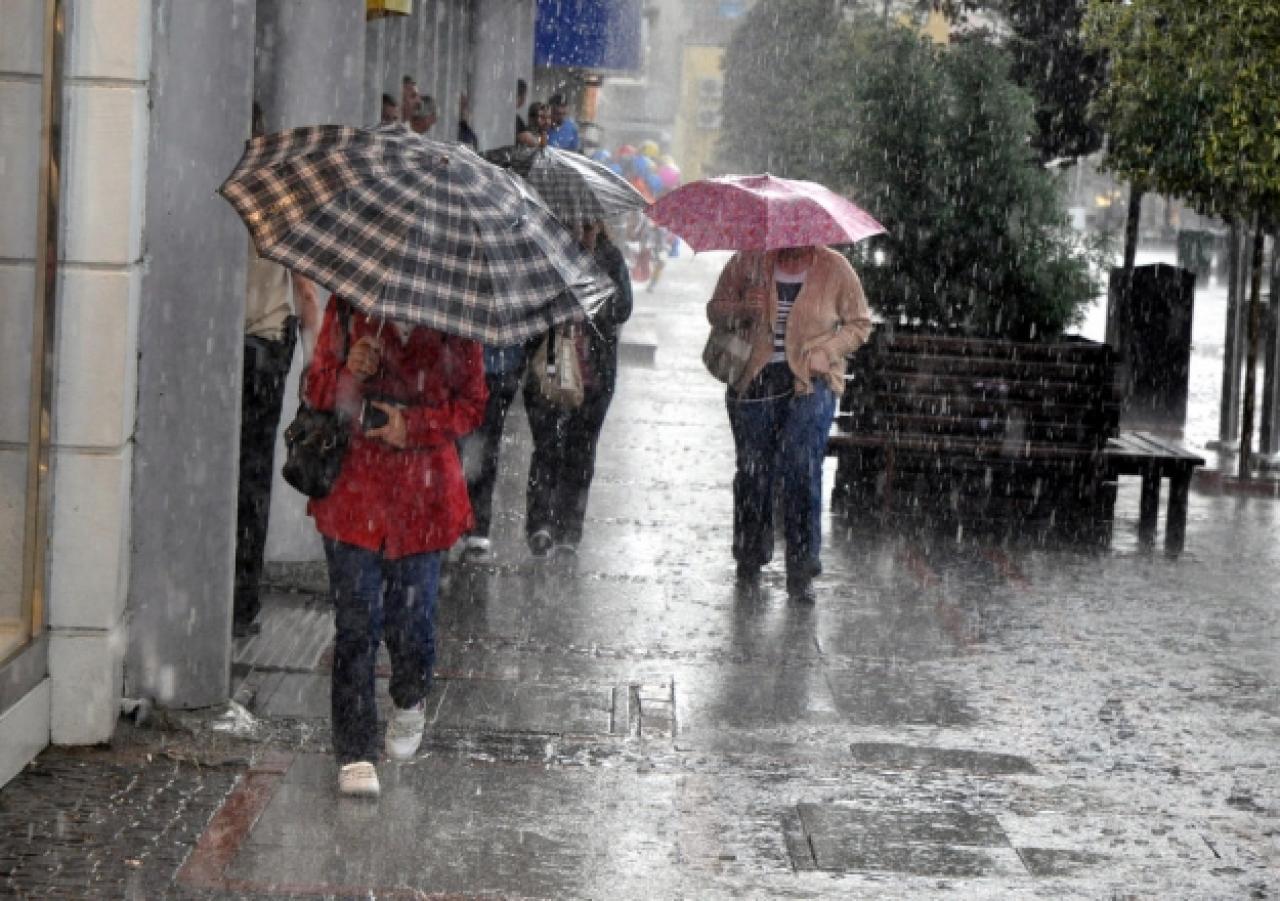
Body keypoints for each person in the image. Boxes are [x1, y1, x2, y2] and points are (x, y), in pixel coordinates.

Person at [303, 296, 486, 797]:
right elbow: (316, 388)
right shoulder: (348, 308)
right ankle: (356, 749)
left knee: (414, 623)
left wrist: (415, 427)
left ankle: (410, 695)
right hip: (354, 494)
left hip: (424, 500)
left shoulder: (456, 317)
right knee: (356, 624)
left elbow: (473, 405)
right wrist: (348, 373)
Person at [706, 245, 872, 603]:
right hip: (754, 377)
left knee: (801, 464)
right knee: (753, 469)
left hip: (811, 382)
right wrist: (741, 310)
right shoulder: (747, 262)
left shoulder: (835, 267)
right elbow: (714, 311)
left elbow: (859, 323)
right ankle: (750, 557)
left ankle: (801, 568)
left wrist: (827, 351)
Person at [234, 103, 321, 640]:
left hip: (217, 350)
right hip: (266, 348)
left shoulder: (212, 189)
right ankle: (242, 599)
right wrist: (315, 360)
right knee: (252, 475)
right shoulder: (279, 195)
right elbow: (305, 289)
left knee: (214, 475)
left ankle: (210, 586)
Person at [523, 222, 632, 557]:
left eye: (589, 225)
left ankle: (569, 527)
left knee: (581, 452)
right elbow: (528, 304)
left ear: (600, 226)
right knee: (547, 447)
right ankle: (540, 524)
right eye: (577, 223)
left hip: (594, 370)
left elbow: (623, 308)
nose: (583, 232)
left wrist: (591, 297)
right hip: (554, 359)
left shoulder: (610, 258)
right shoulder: (548, 253)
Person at [459, 340, 527, 560]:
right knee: (482, 445)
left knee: (481, 445)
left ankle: (474, 520)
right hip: (495, 365)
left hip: (491, 367)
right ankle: (472, 521)